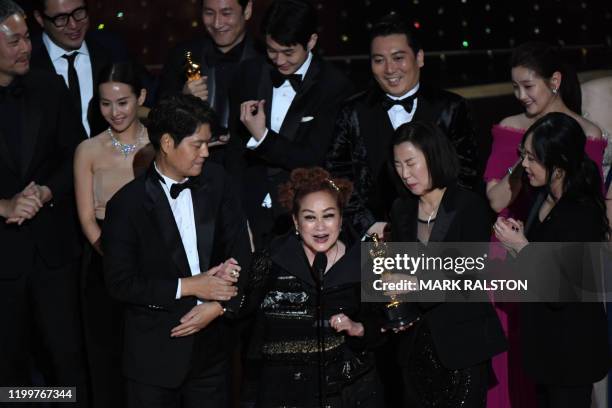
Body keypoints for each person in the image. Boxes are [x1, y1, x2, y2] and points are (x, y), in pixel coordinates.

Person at [102, 94, 251, 408]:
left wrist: (220, 306)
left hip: (213, 351)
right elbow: (120, 284)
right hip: (154, 358)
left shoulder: (218, 182)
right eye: (197, 145)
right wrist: (190, 286)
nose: (206, 153)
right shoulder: (126, 206)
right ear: (167, 143)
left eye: (207, 144)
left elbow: (242, 251)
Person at [483, 41, 606, 408]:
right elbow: (497, 200)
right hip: (543, 339)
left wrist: (524, 250)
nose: (520, 96)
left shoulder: (578, 210)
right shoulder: (540, 200)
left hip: (569, 346)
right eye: (514, 87)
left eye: (528, 86)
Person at [0, 0, 89, 403]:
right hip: (4, 258)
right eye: (14, 40)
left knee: (66, 360)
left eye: (26, 38)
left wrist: (46, 191)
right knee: (8, 368)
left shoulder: (49, 86)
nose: (26, 47)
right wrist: (4, 206)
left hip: (54, 252)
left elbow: (75, 153)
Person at [325, 13, 480, 239]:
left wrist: (434, 223)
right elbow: (335, 175)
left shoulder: (452, 107)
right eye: (379, 60)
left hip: (441, 237)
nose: (389, 69)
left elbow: (467, 174)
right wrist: (367, 226)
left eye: (398, 58)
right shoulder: (352, 111)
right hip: (371, 238)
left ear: (419, 58)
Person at [242, 167, 383, 408]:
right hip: (283, 394)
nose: (320, 227)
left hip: (349, 392)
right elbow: (240, 309)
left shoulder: (366, 260)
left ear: (341, 218)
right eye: (309, 217)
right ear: (296, 221)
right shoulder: (272, 260)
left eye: (328, 215)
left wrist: (358, 328)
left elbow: (383, 327)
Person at [389, 121, 506, 407]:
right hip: (415, 346)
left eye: (411, 163)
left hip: (463, 345)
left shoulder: (470, 206)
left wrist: (416, 283)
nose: (405, 174)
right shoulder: (401, 209)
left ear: (433, 156)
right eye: (398, 165)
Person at [225, 0, 354, 249]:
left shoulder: (335, 87)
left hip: (303, 215)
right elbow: (235, 152)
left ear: (311, 41)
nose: (279, 60)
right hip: (249, 210)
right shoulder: (248, 74)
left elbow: (315, 157)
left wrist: (262, 136)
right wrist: (235, 212)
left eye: (288, 52)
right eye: (272, 51)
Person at [73, 61, 149, 408]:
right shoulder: (88, 149)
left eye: (123, 102)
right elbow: (87, 218)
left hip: (155, 259)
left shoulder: (162, 143)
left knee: (149, 356)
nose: (114, 112)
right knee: (107, 357)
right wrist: (113, 255)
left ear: (140, 98)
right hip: (104, 260)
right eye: (106, 104)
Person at [158, 0, 263, 160]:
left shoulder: (267, 57)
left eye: (226, 13)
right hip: (194, 164)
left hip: (252, 163)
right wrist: (184, 100)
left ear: (247, 10)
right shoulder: (183, 55)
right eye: (209, 13)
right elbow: (159, 117)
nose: (217, 23)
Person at [31, 0, 137, 137]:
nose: (74, 25)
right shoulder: (26, 61)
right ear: (40, 18)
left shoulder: (112, 49)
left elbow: (145, 95)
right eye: (61, 19)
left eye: (79, 13)